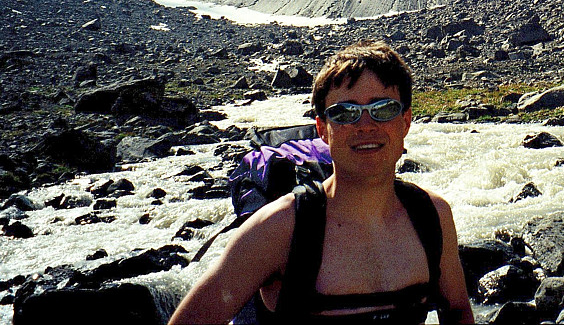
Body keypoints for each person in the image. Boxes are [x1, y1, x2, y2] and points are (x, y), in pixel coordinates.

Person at [169, 40, 474, 324]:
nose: (365, 126)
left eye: (383, 109)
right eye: (345, 113)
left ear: (405, 121)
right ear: (323, 129)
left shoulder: (432, 214)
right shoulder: (278, 228)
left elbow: (458, 309)